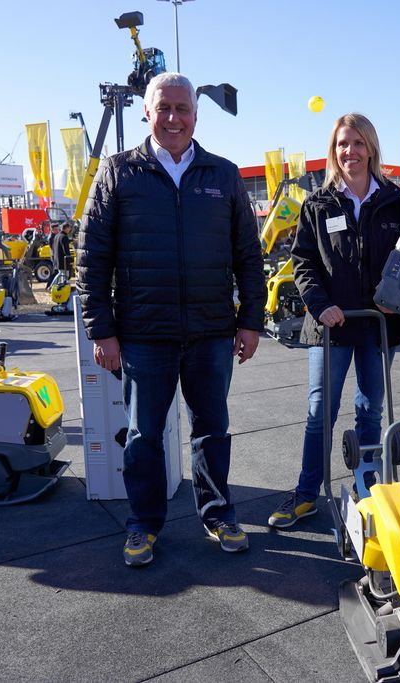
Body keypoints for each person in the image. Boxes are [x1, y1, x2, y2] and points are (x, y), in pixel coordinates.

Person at [77, 71, 265, 566]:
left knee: (212, 430)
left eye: (183, 109)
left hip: (211, 333)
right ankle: (142, 525)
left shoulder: (222, 175)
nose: (174, 118)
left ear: (196, 115)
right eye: (164, 108)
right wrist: (103, 330)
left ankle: (218, 513)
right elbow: (90, 258)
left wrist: (250, 321)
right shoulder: (119, 171)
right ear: (147, 111)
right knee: (143, 437)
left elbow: (249, 254)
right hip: (143, 335)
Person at [267, 113, 400, 529]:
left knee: (370, 411)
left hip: (376, 327)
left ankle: (369, 490)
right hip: (330, 326)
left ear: (372, 148)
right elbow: (303, 262)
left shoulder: (395, 202)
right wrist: (319, 304)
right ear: (334, 151)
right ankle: (307, 493)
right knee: (319, 412)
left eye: (358, 143)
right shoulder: (318, 203)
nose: (351, 152)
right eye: (343, 144)